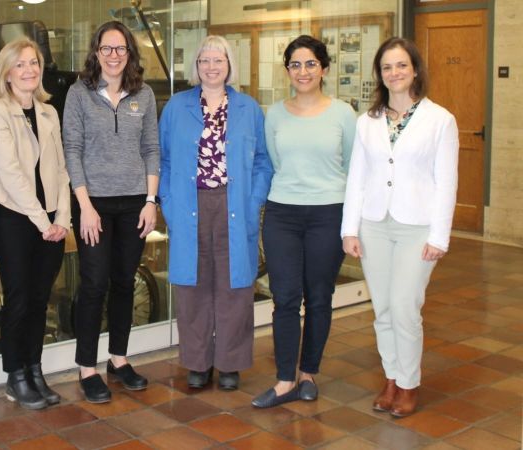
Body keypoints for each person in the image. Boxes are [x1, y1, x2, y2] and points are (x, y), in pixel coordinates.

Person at [341, 37, 458, 417]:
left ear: (415, 70)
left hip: (417, 228)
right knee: (384, 309)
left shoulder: (440, 119)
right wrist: (350, 229)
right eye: (387, 67)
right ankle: (390, 378)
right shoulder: (367, 121)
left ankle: (408, 383)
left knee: (406, 307)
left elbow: (447, 182)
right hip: (374, 224)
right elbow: (357, 177)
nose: (394, 73)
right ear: (380, 73)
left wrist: (439, 236)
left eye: (401, 65)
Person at [158, 35, 273, 391]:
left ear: (229, 65)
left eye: (218, 60)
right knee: (191, 286)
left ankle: (229, 363)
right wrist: (169, 202)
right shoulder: (177, 107)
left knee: (235, 286)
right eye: (204, 60)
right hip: (190, 204)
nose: (211, 66)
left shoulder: (249, 108)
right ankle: (196, 361)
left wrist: (253, 201)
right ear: (196, 66)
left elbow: (262, 163)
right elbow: (162, 159)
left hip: (233, 204)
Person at [252, 35, 356, 408]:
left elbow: (352, 169)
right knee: (284, 298)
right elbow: (277, 162)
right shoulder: (275, 113)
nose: (303, 71)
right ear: (287, 72)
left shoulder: (344, 113)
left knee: (318, 296)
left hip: (329, 213)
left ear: (324, 69)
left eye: (310, 63)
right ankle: (284, 380)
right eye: (295, 64)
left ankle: (308, 374)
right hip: (282, 213)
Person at [62, 20, 160, 403]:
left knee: (124, 281)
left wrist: (151, 202)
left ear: (130, 54)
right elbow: (72, 150)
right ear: (96, 52)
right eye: (107, 49)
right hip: (94, 205)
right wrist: (84, 207)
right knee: (94, 284)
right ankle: (87, 366)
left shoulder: (145, 95)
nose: (114, 56)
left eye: (121, 49)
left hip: (135, 202)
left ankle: (118, 359)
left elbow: (152, 149)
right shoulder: (79, 94)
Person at [0, 38, 70, 410]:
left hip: (50, 220)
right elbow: (12, 173)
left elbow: (63, 170)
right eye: (20, 64)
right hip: (14, 219)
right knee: (19, 299)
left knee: (40, 299)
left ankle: (34, 370)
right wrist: (41, 221)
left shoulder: (49, 112)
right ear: (6, 72)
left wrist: (63, 219)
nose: (29, 70)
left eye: (34, 63)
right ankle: (14, 375)